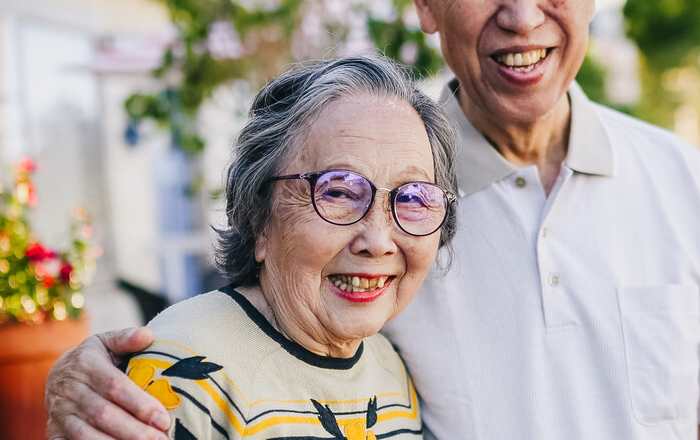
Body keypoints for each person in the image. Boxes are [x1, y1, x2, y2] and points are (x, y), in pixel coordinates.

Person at [46, 0, 700, 439]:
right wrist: (97, 376)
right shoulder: (384, 203)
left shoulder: (682, 181)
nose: (522, 14)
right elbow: (256, 331)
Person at [121, 55, 458, 438]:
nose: (378, 242)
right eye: (338, 192)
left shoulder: (392, 372)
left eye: (413, 198)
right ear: (259, 217)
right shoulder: (179, 373)